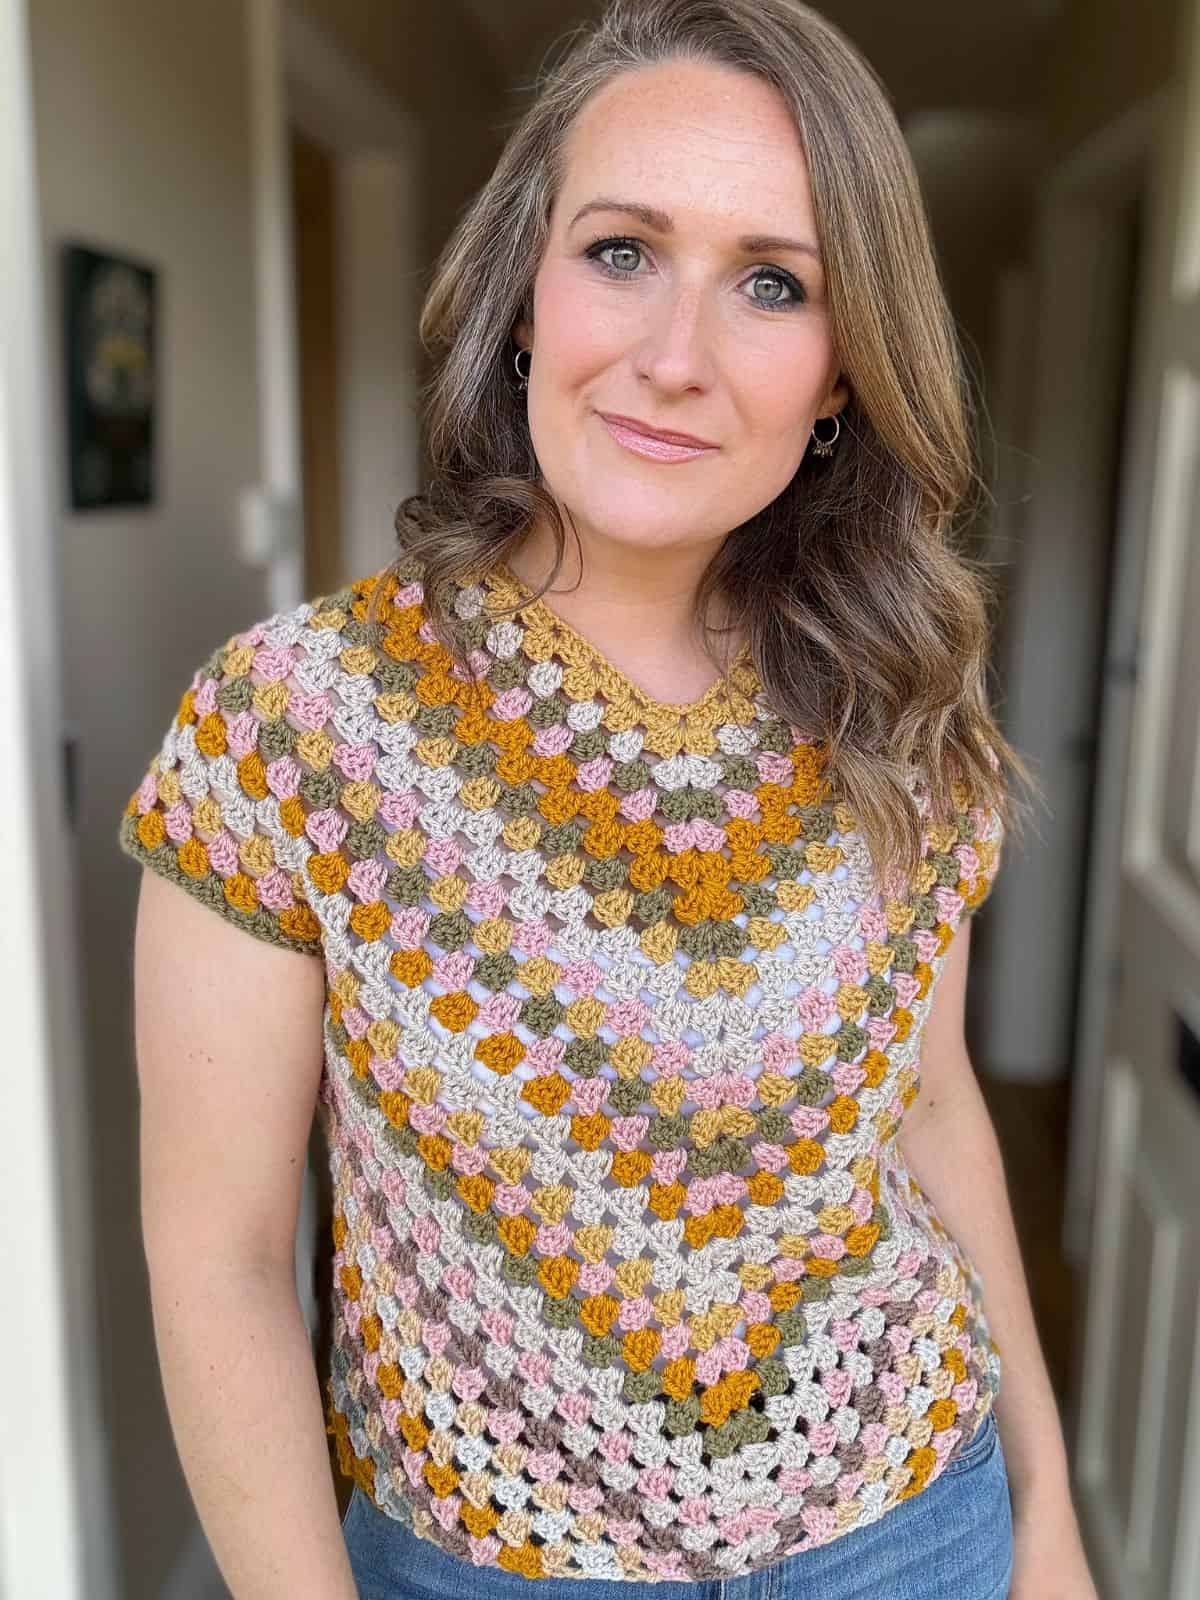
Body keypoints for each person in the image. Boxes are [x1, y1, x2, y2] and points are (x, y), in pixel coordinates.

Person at [118, 1, 1097, 1596]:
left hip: (915, 1533)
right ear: (523, 296)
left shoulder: (893, 709)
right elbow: (219, 1260)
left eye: (774, 285)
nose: (673, 357)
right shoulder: (292, 730)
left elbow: (931, 1115)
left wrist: (1049, 1517)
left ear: (845, 375)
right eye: (622, 250)